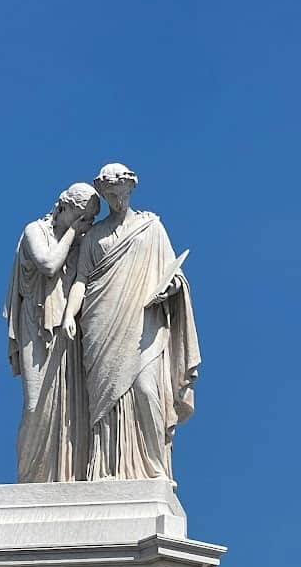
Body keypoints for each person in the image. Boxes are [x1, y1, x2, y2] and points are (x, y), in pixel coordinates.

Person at [61, 162, 200, 480]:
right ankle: (107, 468)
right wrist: (70, 315)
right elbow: (81, 280)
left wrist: (172, 287)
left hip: (143, 322)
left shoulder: (151, 228)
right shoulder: (95, 236)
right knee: (106, 399)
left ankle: (153, 467)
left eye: (120, 193)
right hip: (101, 322)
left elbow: (173, 272)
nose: (116, 200)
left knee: (147, 391)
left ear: (131, 190)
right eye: (109, 195)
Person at [4, 181, 100, 482]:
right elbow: (47, 264)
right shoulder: (35, 230)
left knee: (69, 408)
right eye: (83, 216)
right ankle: (30, 478)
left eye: (91, 220)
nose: (87, 224)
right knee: (36, 405)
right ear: (65, 206)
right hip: (36, 324)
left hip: (67, 331)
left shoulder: (80, 245)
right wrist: (74, 233)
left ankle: (64, 476)